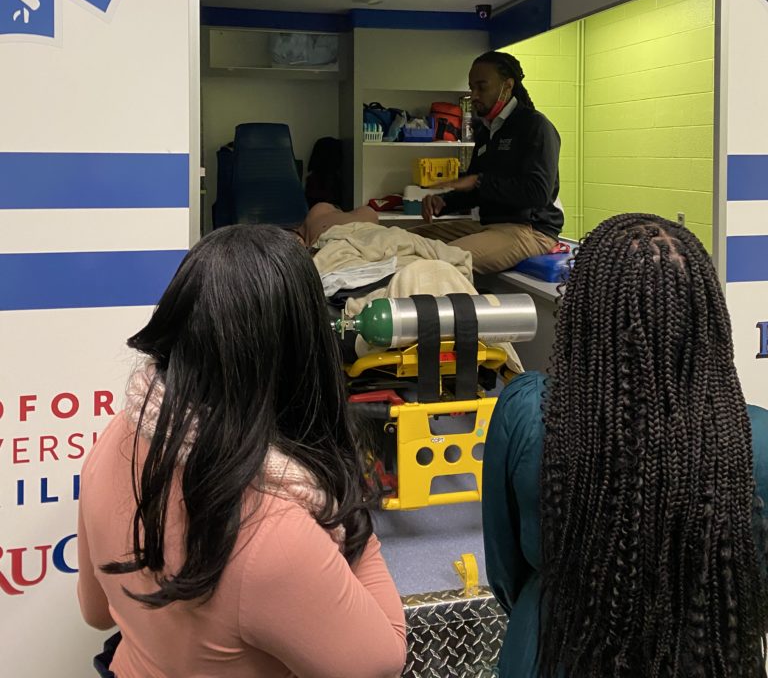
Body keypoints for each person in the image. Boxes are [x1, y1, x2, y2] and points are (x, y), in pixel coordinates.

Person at [76, 225, 407, 678]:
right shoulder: (274, 532)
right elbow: (381, 660)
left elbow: (96, 612)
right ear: (304, 351)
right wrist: (346, 511)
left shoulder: (119, 437)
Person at [482, 213, 768, 678]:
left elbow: (506, 573)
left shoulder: (527, 412)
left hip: (554, 647)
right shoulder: (754, 438)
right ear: (707, 315)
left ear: (581, 311)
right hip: (710, 652)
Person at [412, 52, 563, 274]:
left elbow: (538, 192)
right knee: (406, 242)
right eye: (472, 87)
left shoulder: (535, 126)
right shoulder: (487, 130)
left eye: (481, 87)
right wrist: (444, 203)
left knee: (437, 263)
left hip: (529, 230)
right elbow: (476, 191)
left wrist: (481, 181)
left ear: (507, 86)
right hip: (488, 226)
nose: (474, 95)